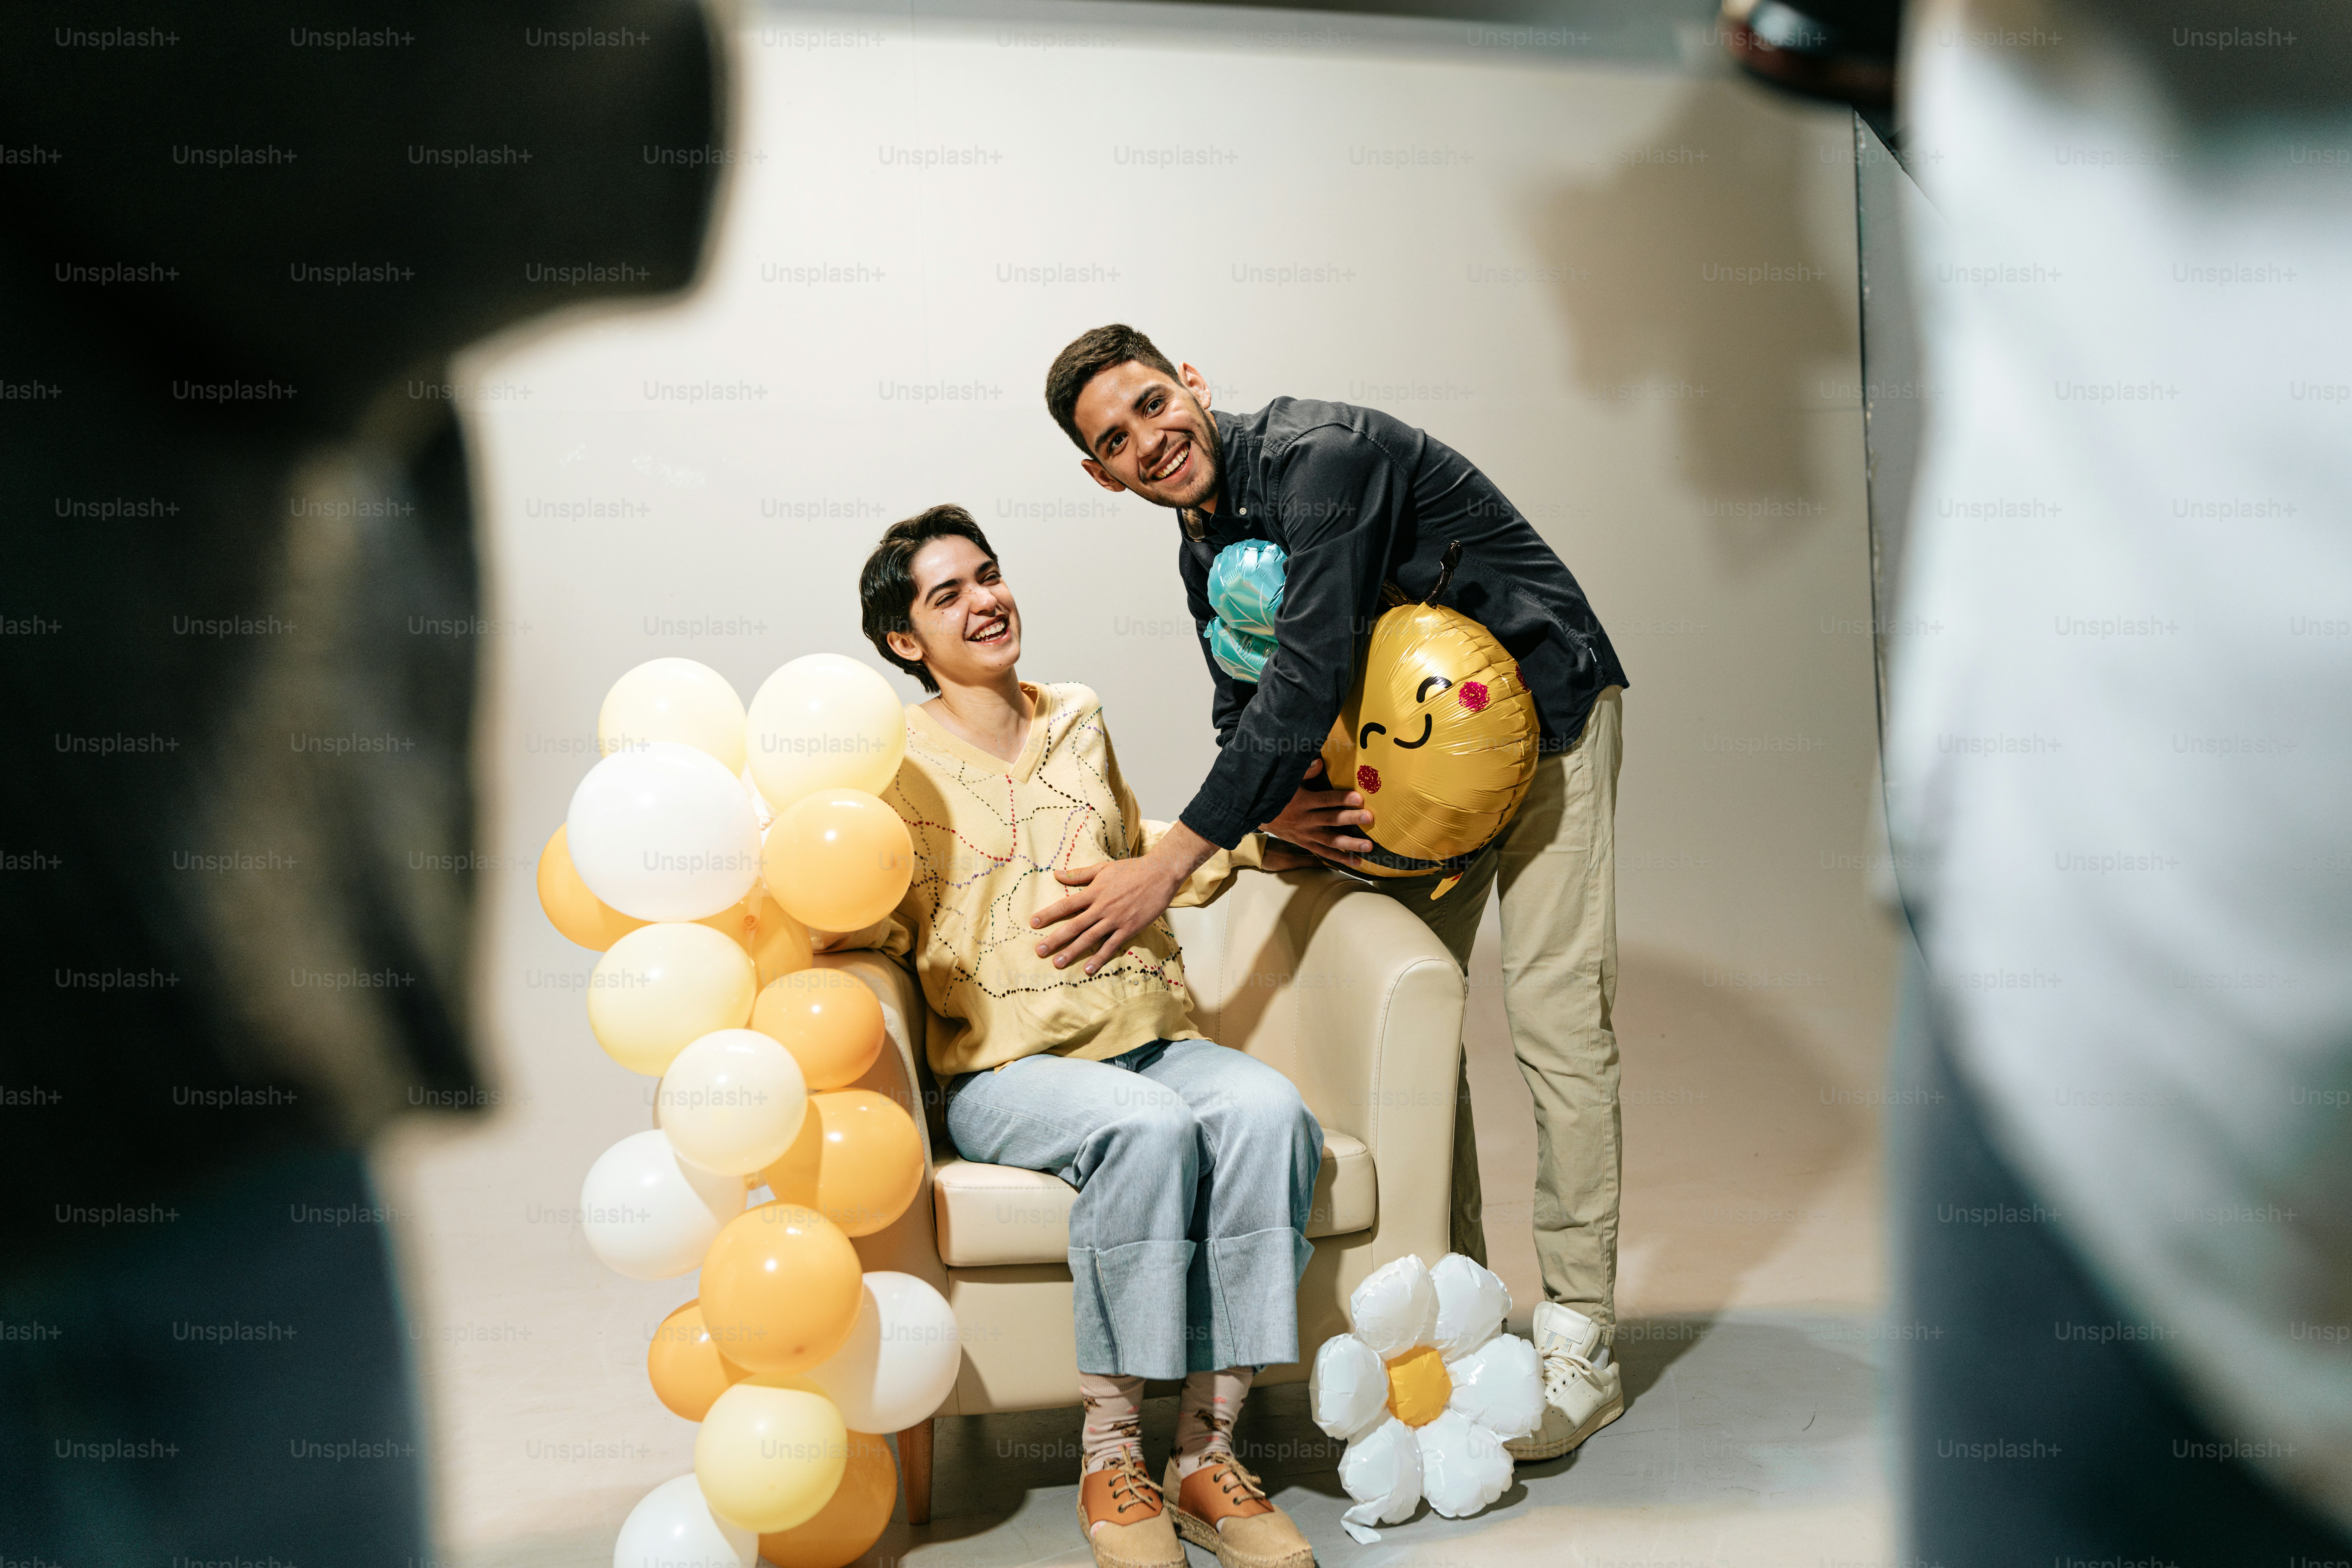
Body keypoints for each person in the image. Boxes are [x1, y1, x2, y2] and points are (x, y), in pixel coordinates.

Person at [1032, 327, 1629, 1462]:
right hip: (1404, 778)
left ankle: (1581, 1341)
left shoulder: (1324, 457)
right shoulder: (1199, 537)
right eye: (1116, 441)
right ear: (1097, 473)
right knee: (1419, 1044)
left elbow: (1304, 676)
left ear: (1194, 383)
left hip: (1546, 726)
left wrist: (1171, 863)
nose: (1151, 442)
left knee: (1558, 1026)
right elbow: (1241, 694)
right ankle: (1462, 1325)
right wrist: (1275, 810)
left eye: (1156, 405)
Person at [842, 505, 1321, 1568]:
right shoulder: (892, 763)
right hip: (1008, 1070)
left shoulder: (1078, 716)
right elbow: (870, 905)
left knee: (1268, 1111)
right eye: (948, 593)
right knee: (1147, 1131)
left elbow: (1132, 848)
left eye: (991, 575)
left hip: (1147, 1032)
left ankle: (1207, 1454)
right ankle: (1114, 1458)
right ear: (903, 642)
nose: (986, 600)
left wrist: (1252, 836)